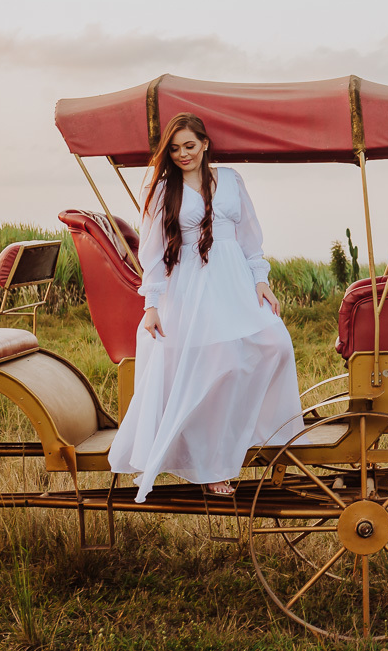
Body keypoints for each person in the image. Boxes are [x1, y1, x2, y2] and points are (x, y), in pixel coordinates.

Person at [108, 113, 303, 502]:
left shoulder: (230, 180)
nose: (183, 154)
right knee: (217, 366)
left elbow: (249, 237)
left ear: (205, 144)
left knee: (275, 344)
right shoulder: (165, 190)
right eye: (176, 148)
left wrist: (260, 281)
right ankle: (209, 466)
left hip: (234, 283)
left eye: (190, 146)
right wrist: (151, 304)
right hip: (191, 287)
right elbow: (153, 252)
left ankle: (256, 431)